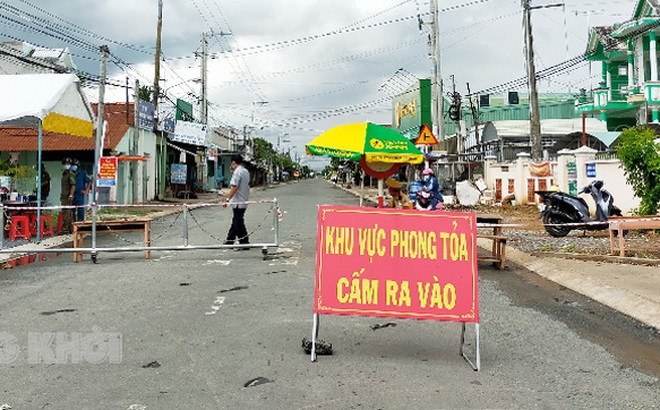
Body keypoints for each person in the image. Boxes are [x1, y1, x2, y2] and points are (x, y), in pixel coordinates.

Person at [223, 154, 250, 249]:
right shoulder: (245, 171)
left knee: (238, 222)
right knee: (236, 220)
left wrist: (227, 199)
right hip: (244, 199)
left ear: (234, 162)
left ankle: (244, 242)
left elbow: (235, 186)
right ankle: (229, 240)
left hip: (238, 201)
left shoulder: (237, 172)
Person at [60, 158, 75, 234]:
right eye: (65, 164)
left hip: (67, 196)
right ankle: (69, 229)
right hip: (64, 196)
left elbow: (73, 185)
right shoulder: (64, 174)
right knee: (66, 212)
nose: (66, 165)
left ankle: (65, 229)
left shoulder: (70, 174)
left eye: (68, 164)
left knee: (66, 213)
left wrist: (71, 195)